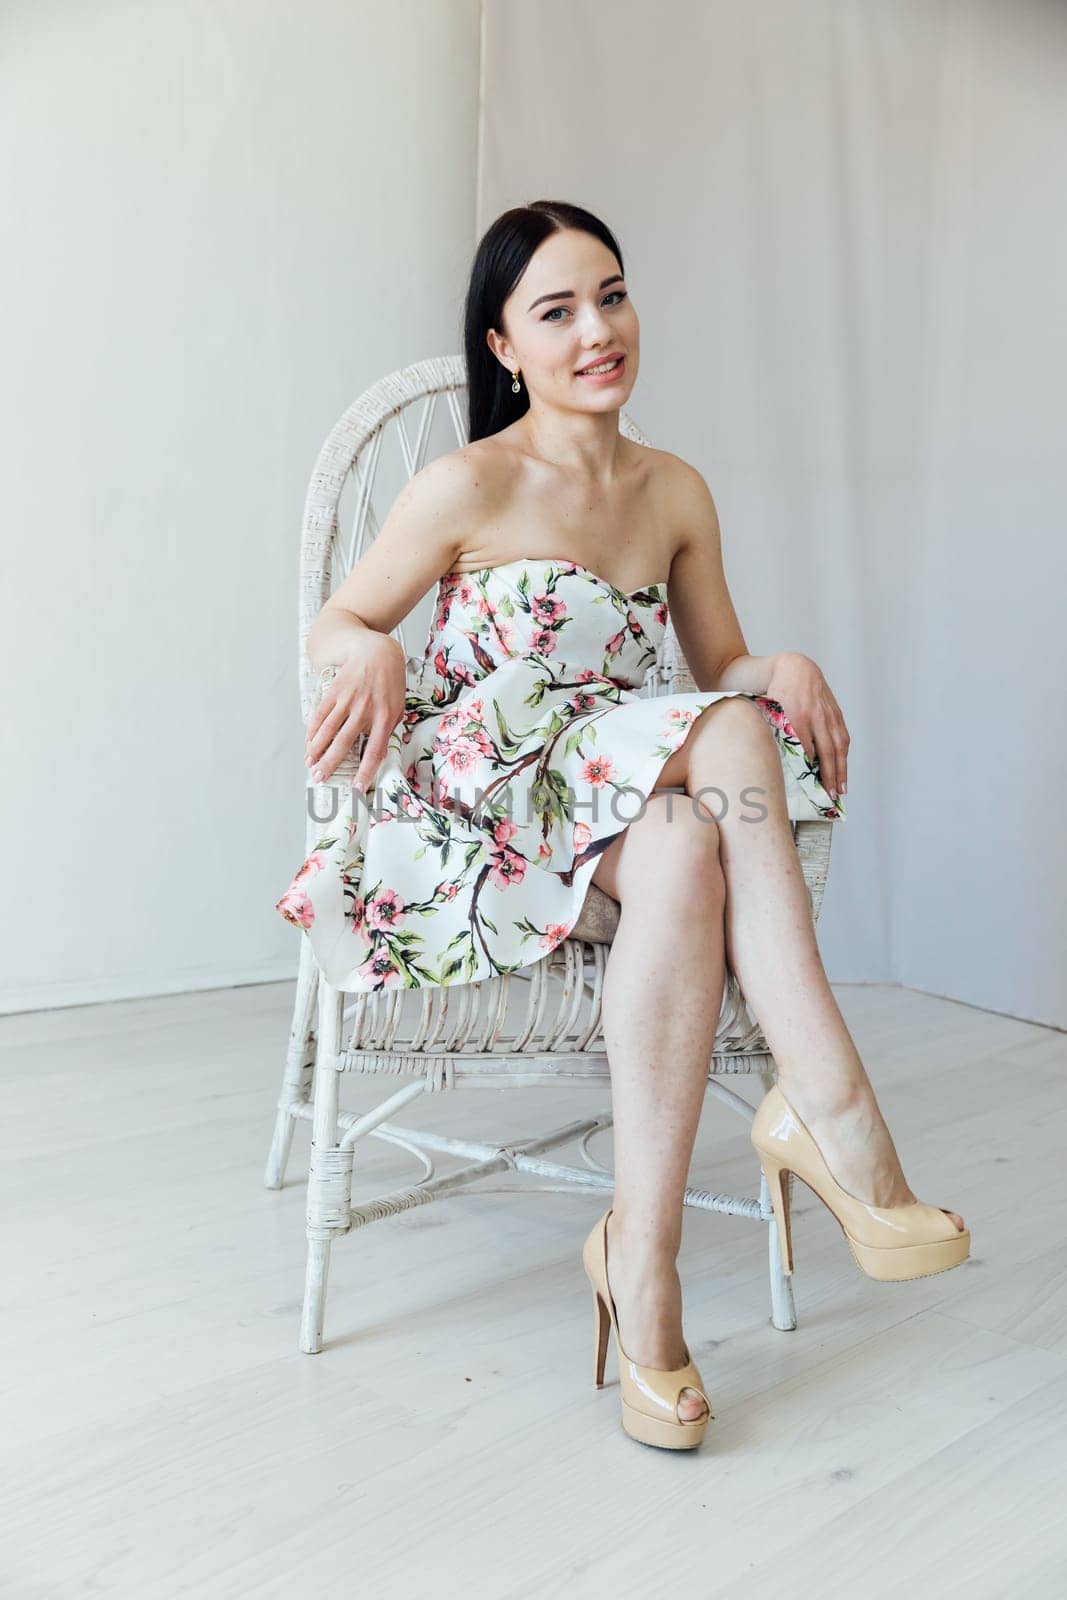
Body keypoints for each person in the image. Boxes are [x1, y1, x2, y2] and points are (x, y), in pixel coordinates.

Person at [275, 200, 969, 1451]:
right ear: (505, 345)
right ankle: (834, 1110)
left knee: (692, 831)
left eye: (613, 294)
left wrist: (782, 661)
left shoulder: (673, 490)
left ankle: (636, 1268)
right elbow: (338, 623)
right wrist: (365, 650)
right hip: (492, 819)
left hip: (623, 808)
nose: (598, 330)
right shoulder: (464, 484)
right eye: (557, 311)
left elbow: (718, 669)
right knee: (716, 756)